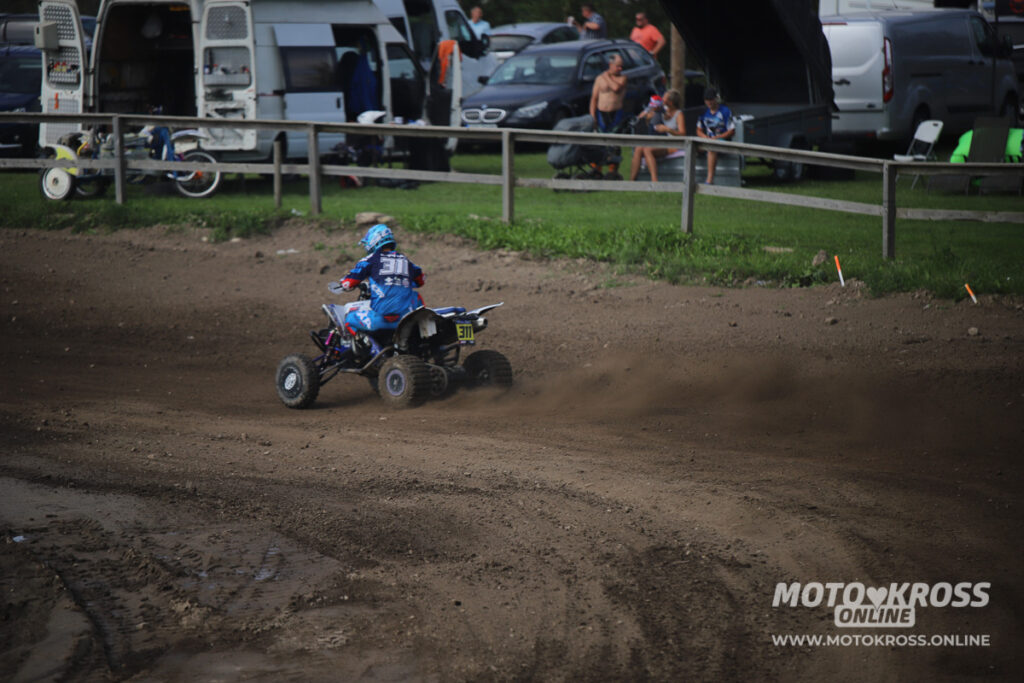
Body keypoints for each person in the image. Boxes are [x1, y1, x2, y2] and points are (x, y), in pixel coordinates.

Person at [338, 224, 425, 354]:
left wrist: (342, 283)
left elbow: (348, 283)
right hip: (406, 320)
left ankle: (370, 349)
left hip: (380, 319)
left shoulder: (370, 260)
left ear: (373, 241)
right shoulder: (405, 260)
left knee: (349, 319)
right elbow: (420, 280)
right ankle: (412, 343)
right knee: (415, 296)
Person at [629, 89, 685, 182]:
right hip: (662, 142)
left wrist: (667, 129)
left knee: (647, 150)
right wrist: (647, 116)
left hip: (673, 145)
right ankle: (631, 181)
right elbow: (643, 116)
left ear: (670, 102)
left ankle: (654, 181)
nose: (662, 99)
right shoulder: (663, 110)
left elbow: (683, 134)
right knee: (638, 148)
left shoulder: (678, 114)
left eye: (664, 98)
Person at [589, 53, 627, 177]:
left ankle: (612, 171)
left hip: (616, 114)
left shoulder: (623, 78)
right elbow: (594, 99)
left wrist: (606, 75)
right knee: (598, 142)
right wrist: (592, 116)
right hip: (601, 114)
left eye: (621, 66)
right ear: (611, 65)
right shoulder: (599, 79)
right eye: (618, 66)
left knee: (614, 143)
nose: (620, 68)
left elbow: (615, 88)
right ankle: (596, 170)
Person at [696, 87, 735, 185]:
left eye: (711, 99)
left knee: (711, 147)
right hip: (708, 140)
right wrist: (705, 137)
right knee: (692, 147)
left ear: (716, 99)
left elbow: (731, 131)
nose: (709, 102)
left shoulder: (725, 111)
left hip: (723, 141)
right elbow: (698, 130)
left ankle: (709, 180)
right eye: (707, 100)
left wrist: (717, 138)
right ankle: (692, 177)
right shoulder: (703, 112)